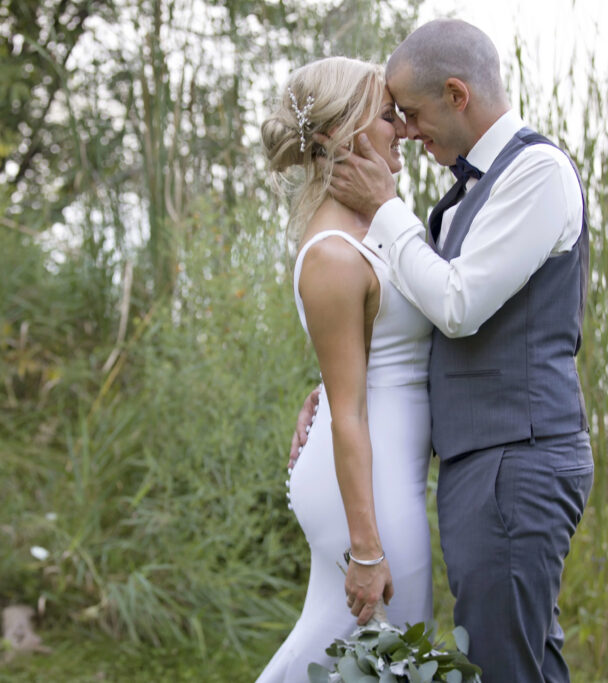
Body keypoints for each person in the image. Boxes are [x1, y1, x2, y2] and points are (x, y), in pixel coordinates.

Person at [292, 19, 594, 683]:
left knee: (507, 662)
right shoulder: (458, 200)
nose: (405, 129)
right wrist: (343, 385)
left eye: (412, 112)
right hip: (476, 466)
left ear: (457, 94)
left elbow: (458, 307)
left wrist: (387, 205)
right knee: (518, 652)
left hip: (520, 457)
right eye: (392, 116)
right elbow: (425, 318)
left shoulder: (536, 173)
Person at [256, 56, 435, 682]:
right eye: (388, 117)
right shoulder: (333, 255)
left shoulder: (375, 229)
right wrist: (365, 550)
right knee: (392, 652)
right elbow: (351, 407)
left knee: (381, 659)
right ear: (342, 134)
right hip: (366, 487)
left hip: (382, 471)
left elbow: (370, 361)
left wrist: (324, 392)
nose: (404, 130)